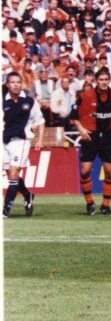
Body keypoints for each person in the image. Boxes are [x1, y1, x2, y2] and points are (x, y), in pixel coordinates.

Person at [69, 67, 111, 215]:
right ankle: (90, 203)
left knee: (109, 172)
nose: (103, 82)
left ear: (109, 80)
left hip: (109, 137)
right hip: (90, 136)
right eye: (101, 80)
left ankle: (105, 205)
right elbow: (73, 116)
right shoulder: (85, 96)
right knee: (84, 171)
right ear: (96, 81)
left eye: (106, 79)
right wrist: (81, 130)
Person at [3, 72, 44, 218]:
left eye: (18, 82)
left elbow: (40, 121)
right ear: (7, 84)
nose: (15, 85)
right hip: (4, 142)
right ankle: (27, 195)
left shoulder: (30, 101)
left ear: (21, 84)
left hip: (21, 142)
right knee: (10, 175)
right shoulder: (3, 101)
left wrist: (39, 139)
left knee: (14, 174)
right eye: (12, 82)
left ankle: (5, 210)